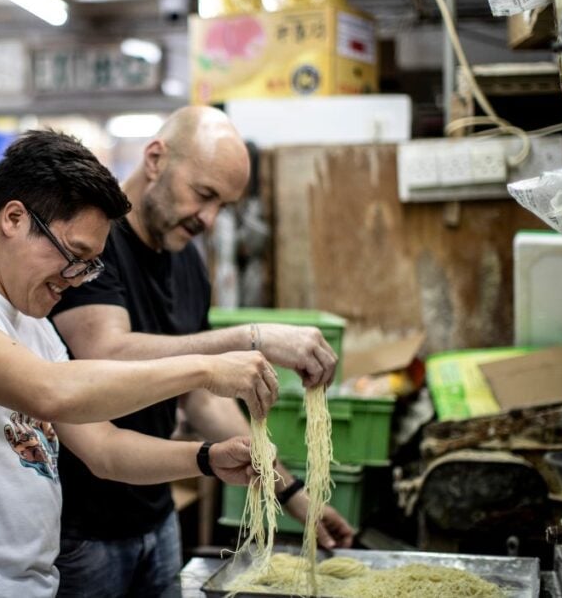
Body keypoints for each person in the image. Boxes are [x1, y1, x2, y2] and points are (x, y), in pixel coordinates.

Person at [0, 130, 280, 598]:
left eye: (90, 266)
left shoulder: (34, 326)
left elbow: (105, 450)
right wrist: (205, 368)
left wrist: (206, 458)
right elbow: (50, 390)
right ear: (13, 218)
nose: (76, 279)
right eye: (75, 256)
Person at [50, 106, 356, 597]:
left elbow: (202, 398)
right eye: (205, 194)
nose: (209, 219)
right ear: (155, 158)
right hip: (82, 531)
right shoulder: (92, 245)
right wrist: (247, 337)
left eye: (223, 207)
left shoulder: (187, 260)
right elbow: (104, 353)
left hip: (156, 514)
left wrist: (292, 493)